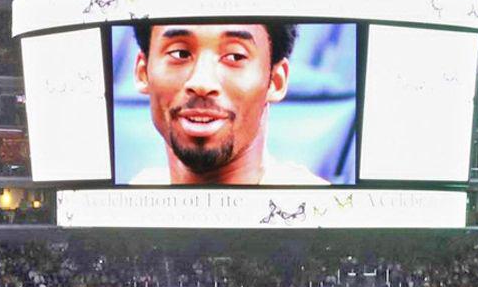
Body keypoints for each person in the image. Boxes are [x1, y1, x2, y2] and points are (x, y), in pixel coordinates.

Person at [128, 22, 328, 186]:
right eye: (180, 53)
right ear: (143, 72)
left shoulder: (322, 215)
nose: (202, 83)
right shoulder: (130, 207)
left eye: (235, 56)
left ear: (276, 81)